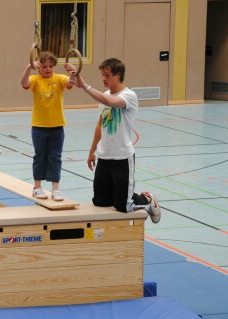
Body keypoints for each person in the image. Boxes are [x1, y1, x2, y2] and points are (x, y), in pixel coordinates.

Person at [69, 57, 161, 223]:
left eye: (107, 75)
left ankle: (147, 200)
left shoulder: (129, 96)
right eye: (102, 75)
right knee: (101, 202)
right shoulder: (104, 95)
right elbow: (100, 125)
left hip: (122, 158)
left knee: (124, 206)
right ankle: (122, 195)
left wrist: (84, 86)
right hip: (104, 157)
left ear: (118, 75)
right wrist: (92, 151)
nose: (103, 78)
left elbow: (110, 101)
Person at [21, 51, 76, 202]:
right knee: (40, 156)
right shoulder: (35, 80)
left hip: (57, 127)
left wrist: (74, 72)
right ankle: (37, 187)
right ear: (38, 67)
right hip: (39, 127)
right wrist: (28, 67)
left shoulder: (59, 78)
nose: (48, 69)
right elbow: (24, 82)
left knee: (55, 157)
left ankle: (55, 189)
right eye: (44, 66)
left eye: (51, 66)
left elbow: (71, 82)